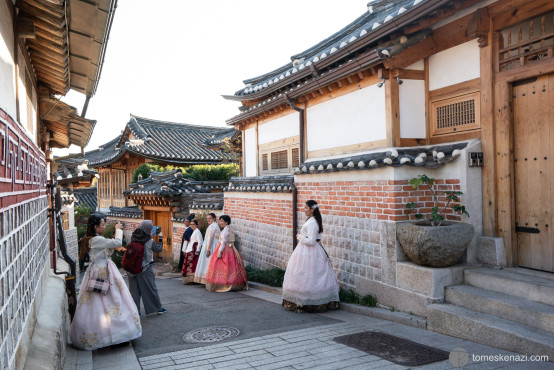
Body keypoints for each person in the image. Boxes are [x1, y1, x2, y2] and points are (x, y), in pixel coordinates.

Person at [69, 213, 141, 350]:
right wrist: (118, 229)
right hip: (102, 273)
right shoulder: (95, 240)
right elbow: (118, 243)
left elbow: (110, 248)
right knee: (109, 303)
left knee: (106, 304)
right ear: (95, 226)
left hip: (103, 270)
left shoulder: (95, 238)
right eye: (102, 224)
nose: (103, 226)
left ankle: (115, 334)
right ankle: (113, 336)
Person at [282, 200, 339, 313]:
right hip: (305, 250)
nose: (304, 210)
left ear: (312, 209)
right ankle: (304, 297)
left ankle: (311, 300)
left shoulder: (313, 222)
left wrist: (299, 237)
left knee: (311, 274)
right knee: (305, 275)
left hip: (310, 251)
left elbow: (312, 241)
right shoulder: (311, 220)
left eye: (306, 208)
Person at [127, 220, 167, 316]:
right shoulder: (150, 241)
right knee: (151, 288)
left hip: (131, 268)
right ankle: (158, 308)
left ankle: (135, 311)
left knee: (134, 291)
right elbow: (158, 249)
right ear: (148, 229)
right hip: (145, 268)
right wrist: (161, 237)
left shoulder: (132, 238)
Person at [205, 215, 248, 292]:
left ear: (226, 222)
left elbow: (223, 243)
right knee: (231, 266)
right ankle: (231, 282)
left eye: (222, 221)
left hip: (225, 250)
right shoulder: (229, 229)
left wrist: (219, 252)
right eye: (220, 221)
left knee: (222, 266)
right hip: (231, 249)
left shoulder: (225, 231)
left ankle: (224, 284)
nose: (220, 223)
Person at [193, 213, 220, 284]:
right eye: (207, 218)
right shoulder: (212, 225)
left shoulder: (213, 226)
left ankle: (208, 278)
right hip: (209, 243)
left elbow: (211, 237)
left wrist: (208, 248)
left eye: (210, 218)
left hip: (211, 244)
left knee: (208, 261)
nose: (208, 220)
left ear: (214, 219)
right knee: (206, 261)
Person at [182, 219, 203, 284]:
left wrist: (198, 250)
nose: (192, 226)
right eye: (191, 224)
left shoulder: (197, 232)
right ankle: (189, 279)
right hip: (190, 249)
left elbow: (200, 242)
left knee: (192, 265)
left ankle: (192, 279)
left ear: (196, 225)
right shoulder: (194, 231)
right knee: (187, 264)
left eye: (193, 224)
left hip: (194, 251)